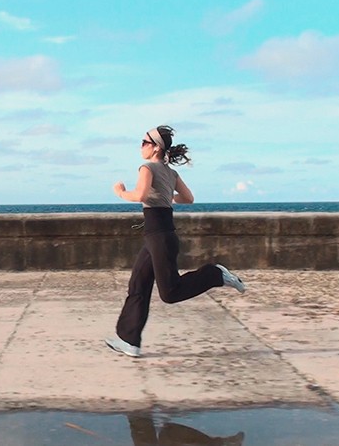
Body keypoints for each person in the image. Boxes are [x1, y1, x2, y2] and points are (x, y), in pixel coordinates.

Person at [105, 125, 246, 358]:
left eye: (144, 142)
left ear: (155, 147)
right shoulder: (171, 173)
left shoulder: (146, 167)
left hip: (159, 236)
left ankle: (215, 275)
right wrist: (164, 195)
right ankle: (129, 340)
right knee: (138, 284)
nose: (140, 146)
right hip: (158, 235)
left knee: (170, 293)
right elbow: (188, 199)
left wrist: (120, 192)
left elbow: (139, 195)